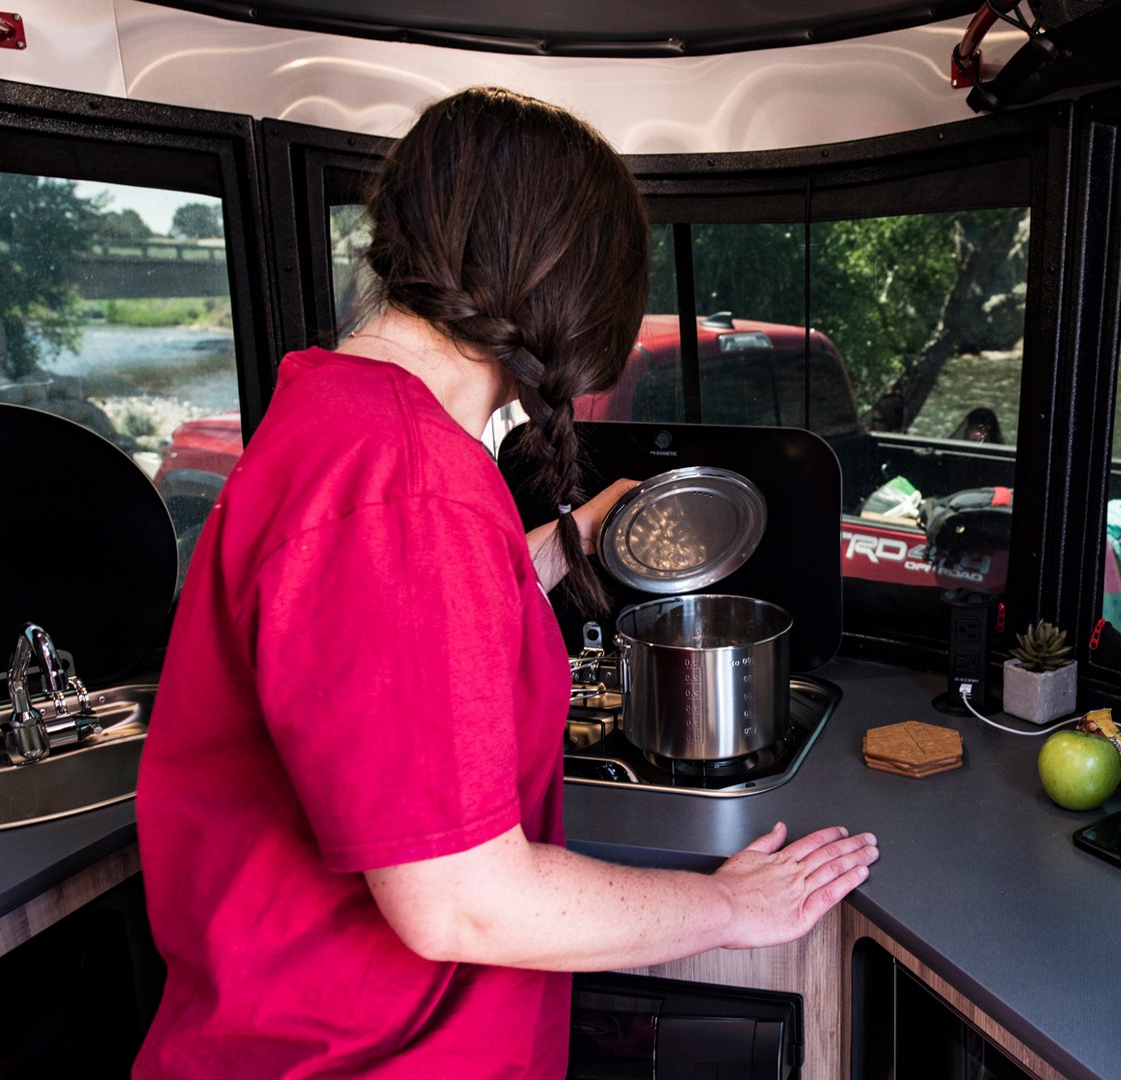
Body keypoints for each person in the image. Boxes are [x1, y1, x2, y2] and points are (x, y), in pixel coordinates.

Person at [133, 87, 879, 1077]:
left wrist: (580, 535)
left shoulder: (340, 417)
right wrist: (730, 907)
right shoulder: (407, 483)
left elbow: (390, 633)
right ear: (573, 289)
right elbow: (462, 902)